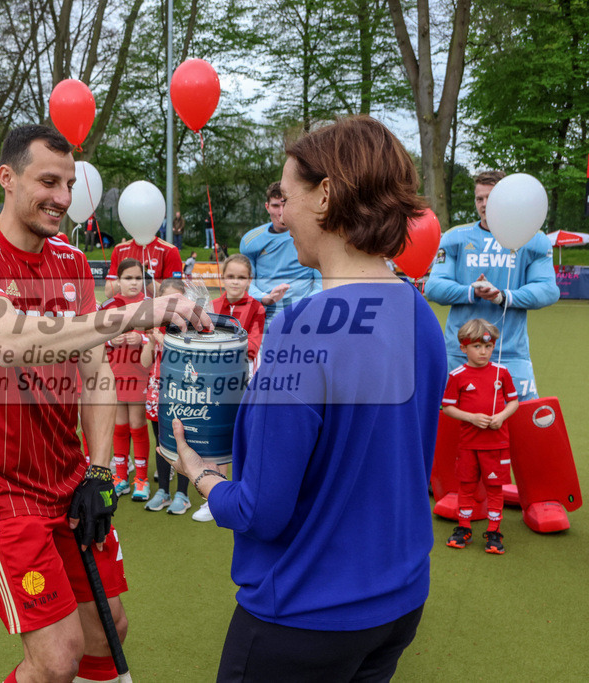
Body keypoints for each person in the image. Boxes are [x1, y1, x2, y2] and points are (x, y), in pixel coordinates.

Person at [0, 124, 209, 682]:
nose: (62, 197)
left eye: (69, 184)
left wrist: (100, 472)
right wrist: (135, 313)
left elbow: (95, 369)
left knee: (109, 633)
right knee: (57, 659)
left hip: (68, 474)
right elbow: (8, 338)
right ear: (8, 179)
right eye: (48, 181)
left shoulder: (71, 262)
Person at [171, 115, 447, 680]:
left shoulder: (303, 327)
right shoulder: (419, 313)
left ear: (325, 196)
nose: (283, 216)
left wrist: (200, 475)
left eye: (288, 196)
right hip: (398, 603)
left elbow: (261, 512)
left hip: (306, 616)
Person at [425, 170, 559, 402]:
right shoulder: (455, 237)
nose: (485, 204)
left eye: (491, 198)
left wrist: (503, 296)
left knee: (519, 427)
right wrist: (470, 291)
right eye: (480, 198)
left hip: (510, 353)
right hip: (461, 352)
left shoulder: (534, 239)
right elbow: (434, 286)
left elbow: (548, 290)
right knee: (452, 428)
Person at [188, 254, 267, 523]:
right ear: (223, 278)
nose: (235, 282)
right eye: (230, 276)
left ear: (249, 280)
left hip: (243, 380)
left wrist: (229, 350)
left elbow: (253, 345)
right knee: (217, 436)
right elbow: (204, 339)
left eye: (241, 277)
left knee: (244, 435)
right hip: (215, 381)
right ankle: (216, 498)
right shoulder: (214, 304)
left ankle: (247, 493)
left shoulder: (256, 307)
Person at [441, 319, 520, 555]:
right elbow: (447, 408)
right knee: (466, 486)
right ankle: (463, 528)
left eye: (488, 346)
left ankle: (494, 531)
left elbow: (514, 402)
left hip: (496, 444)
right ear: (463, 348)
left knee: (495, 487)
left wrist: (502, 416)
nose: (484, 352)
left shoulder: (502, 372)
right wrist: (471, 417)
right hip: (468, 444)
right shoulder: (457, 376)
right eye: (477, 347)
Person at [99, 259, 152, 502]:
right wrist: (112, 341)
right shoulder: (108, 305)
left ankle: (141, 479)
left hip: (141, 374)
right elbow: (95, 337)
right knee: (119, 427)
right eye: (128, 278)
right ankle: (120, 476)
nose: (133, 282)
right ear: (117, 280)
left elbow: (159, 334)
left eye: (138, 278)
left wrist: (140, 339)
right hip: (115, 372)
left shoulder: (151, 305)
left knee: (137, 425)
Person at [141, 278, 194, 515]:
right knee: (161, 444)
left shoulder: (189, 329)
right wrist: (151, 342)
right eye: (166, 301)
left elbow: (191, 365)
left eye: (177, 301)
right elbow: (144, 363)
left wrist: (166, 342)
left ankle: (183, 494)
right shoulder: (154, 327)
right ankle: (163, 491)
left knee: (181, 444)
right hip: (156, 393)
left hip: (181, 394)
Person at [239, 181, 322, 328]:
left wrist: (307, 304)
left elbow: (320, 281)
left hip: (304, 316)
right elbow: (246, 282)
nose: (281, 212)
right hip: (265, 317)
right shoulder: (250, 241)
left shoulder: (311, 235)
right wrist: (265, 297)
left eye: (285, 205)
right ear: (267, 207)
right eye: (275, 206)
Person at [104, 230, 183, 298]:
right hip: (126, 312)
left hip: (155, 312)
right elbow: (108, 293)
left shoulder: (170, 251)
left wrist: (145, 276)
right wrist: (126, 275)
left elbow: (173, 296)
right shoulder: (120, 249)